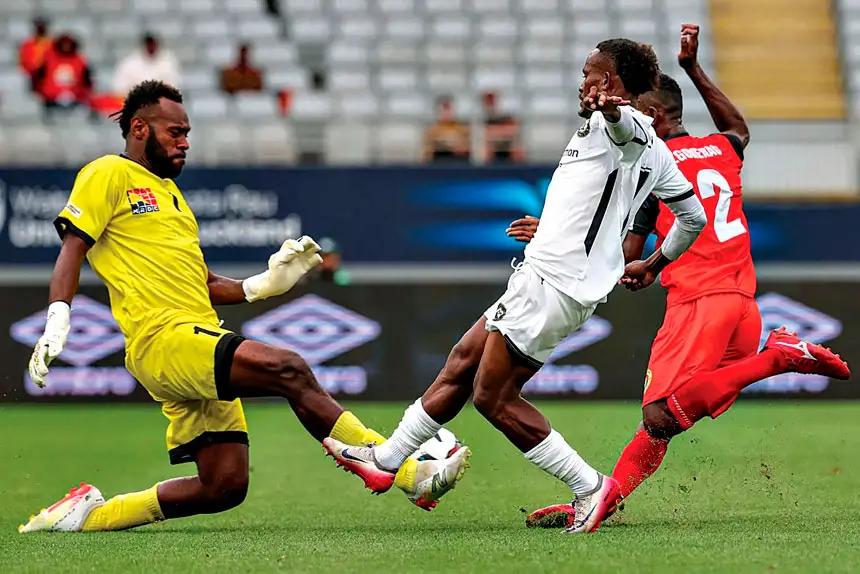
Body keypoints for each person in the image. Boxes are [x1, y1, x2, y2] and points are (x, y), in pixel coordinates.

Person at [18, 81, 469, 534]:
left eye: (187, 132)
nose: (185, 142)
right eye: (175, 132)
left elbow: (204, 284)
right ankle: (403, 470)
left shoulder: (174, 199)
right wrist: (59, 314)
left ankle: (89, 516)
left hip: (190, 338)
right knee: (288, 368)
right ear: (139, 128)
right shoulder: (106, 174)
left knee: (224, 486)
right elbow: (73, 246)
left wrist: (266, 284)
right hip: (161, 340)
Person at [325, 39, 710, 534]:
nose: (582, 82)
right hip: (550, 276)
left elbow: (622, 127)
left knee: (493, 397)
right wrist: (654, 263)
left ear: (612, 84)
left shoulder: (624, 125)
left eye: (591, 74)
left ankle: (590, 486)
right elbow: (691, 217)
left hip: (553, 285)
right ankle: (387, 460)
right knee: (463, 360)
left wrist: (611, 112)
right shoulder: (656, 152)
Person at [516, 24, 851, 529]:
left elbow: (624, 249)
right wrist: (694, 68)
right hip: (743, 303)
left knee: (658, 413)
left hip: (699, 302)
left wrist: (566, 236)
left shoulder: (655, 163)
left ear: (650, 116)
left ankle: (779, 358)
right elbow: (740, 126)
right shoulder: (722, 149)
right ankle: (602, 500)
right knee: (663, 426)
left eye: (633, 105)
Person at [32, 34, 93, 119]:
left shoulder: (80, 61)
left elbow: (87, 82)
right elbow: (38, 79)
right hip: (51, 99)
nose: (66, 47)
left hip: (75, 99)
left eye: (69, 44)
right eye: (64, 44)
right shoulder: (48, 60)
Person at [113, 33, 180, 96]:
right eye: (149, 44)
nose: (151, 47)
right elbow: (119, 87)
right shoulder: (130, 62)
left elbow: (175, 85)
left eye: (153, 44)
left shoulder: (168, 60)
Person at [422, 96, 471, 163]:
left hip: (457, 161)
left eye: (448, 110)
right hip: (438, 161)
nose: (446, 113)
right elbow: (427, 151)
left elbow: (465, 149)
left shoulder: (462, 128)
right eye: (444, 110)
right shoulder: (432, 129)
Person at [482, 92, 525, 163]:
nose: (490, 104)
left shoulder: (506, 117)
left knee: (517, 145)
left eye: (492, 100)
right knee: (486, 147)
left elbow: (513, 129)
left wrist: (496, 133)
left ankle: (520, 169)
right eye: (488, 101)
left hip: (506, 144)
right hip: (493, 146)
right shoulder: (482, 119)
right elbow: (483, 133)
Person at [19, 18, 52, 82]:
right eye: (38, 26)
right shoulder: (27, 44)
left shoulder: (53, 44)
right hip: (32, 75)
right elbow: (22, 62)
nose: (40, 28)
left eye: (42, 26)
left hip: (49, 76)